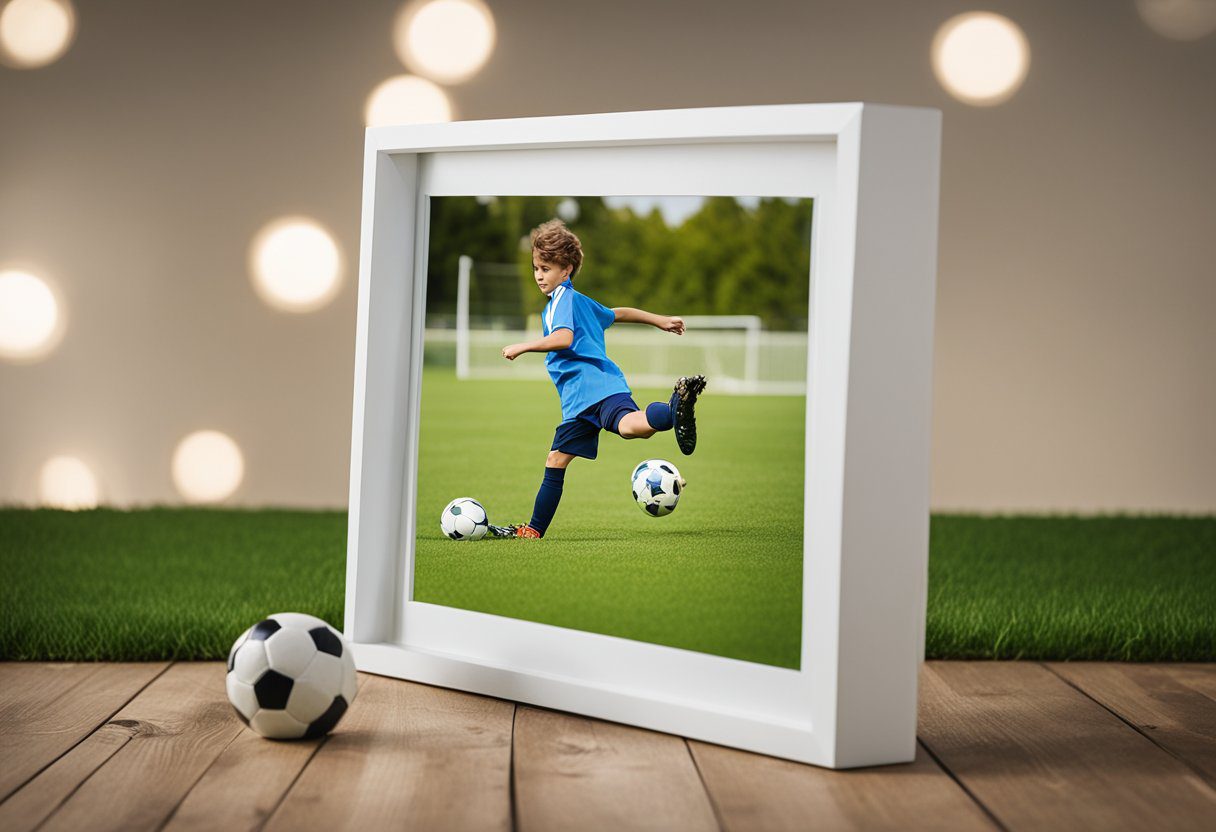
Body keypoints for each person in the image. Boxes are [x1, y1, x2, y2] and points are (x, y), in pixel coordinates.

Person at [489, 218, 705, 539]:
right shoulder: (581, 301)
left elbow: (563, 338)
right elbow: (619, 313)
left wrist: (524, 346)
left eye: (546, 268)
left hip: (585, 395)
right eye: (536, 267)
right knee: (632, 428)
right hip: (601, 388)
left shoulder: (562, 300)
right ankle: (675, 408)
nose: (538, 275)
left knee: (558, 459)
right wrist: (659, 320)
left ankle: (534, 529)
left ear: (567, 269)